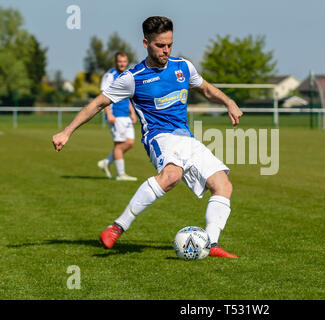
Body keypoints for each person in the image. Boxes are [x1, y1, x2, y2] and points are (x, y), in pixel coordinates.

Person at [52, 16, 243, 258]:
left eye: (169, 45)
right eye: (160, 45)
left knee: (223, 185)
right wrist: (67, 131)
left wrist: (229, 101)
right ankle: (117, 227)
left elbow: (205, 89)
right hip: (159, 138)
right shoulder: (133, 78)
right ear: (146, 43)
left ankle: (210, 244)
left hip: (187, 138)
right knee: (172, 175)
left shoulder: (183, 67)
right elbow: (97, 104)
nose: (166, 50)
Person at [97, 52, 138, 181]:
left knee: (130, 143)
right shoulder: (110, 76)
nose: (122, 64)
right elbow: (103, 95)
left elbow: (129, 95)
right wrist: (108, 113)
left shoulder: (128, 75)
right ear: (115, 62)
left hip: (126, 114)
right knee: (119, 144)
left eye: (124, 61)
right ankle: (121, 174)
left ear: (127, 62)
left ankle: (106, 162)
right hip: (116, 115)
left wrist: (132, 112)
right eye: (120, 61)